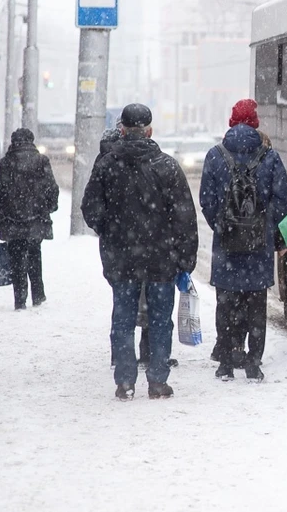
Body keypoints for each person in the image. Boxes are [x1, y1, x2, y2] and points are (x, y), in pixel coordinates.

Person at [82, 103, 199, 401]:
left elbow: (91, 209)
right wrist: (185, 257)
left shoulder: (107, 165)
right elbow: (185, 216)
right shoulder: (167, 166)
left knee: (123, 318)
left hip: (122, 259)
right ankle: (158, 380)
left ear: (121, 129)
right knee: (161, 319)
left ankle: (125, 380)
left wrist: (111, 231)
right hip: (161, 259)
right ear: (149, 130)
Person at [200, 99, 287, 382]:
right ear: (255, 123)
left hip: (226, 248)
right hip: (258, 249)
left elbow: (206, 200)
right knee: (256, 306)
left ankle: (226, 363)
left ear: (231, 122)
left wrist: (223, 224)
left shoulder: (215, 155)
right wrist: (264, 224)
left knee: (226, 305)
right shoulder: (269, 157)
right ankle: (253, 363)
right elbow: (284, 199)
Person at [0, 128, 59, 310]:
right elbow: (52, 188)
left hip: (11, 221)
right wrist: (48, 207)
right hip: (36, 219)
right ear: (31, 141)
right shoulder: (41, 161)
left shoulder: (5, 163)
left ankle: (20, 300)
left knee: (17, 259)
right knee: (35, 255)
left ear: (13, 142)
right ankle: (38, 294)